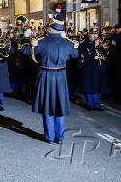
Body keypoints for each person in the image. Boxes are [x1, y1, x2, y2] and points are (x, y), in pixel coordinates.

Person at [23, 16, 78, 144]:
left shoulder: (42, 42)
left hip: (46, 74)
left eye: (48, 28)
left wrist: (27, 39)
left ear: (52, 30)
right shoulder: (69, 43)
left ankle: (50, 137)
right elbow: (75, 55)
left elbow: (27, 52)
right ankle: (60, 137)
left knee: (47, 106)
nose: (47, 30)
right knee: (60, 106)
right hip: (61, 75)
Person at [78, 27, 110, 110]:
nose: (95, 36)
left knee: (99, 86)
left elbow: (106, 55)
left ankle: (97, 105)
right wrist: (94, 45)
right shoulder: (84, 43)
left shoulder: (101, 43)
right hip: (90, 67)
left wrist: (105, 48)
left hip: (100, 67)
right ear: (89, 34)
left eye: (96, 34)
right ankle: (90, 104)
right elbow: (85, 53)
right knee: (90, 85)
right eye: (93, 34)